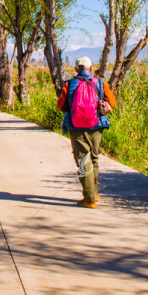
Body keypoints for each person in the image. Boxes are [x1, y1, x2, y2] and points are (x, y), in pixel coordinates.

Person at [56, 56, 116, 208]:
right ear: (91, 68)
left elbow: (61, 106)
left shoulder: (69, 84)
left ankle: (89, 199)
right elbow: (112, 102)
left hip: (76, 127)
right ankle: (94, 192)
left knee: (83, 160)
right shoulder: (101, 83)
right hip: (97, 125)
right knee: (94, 158)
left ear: (76, 69)